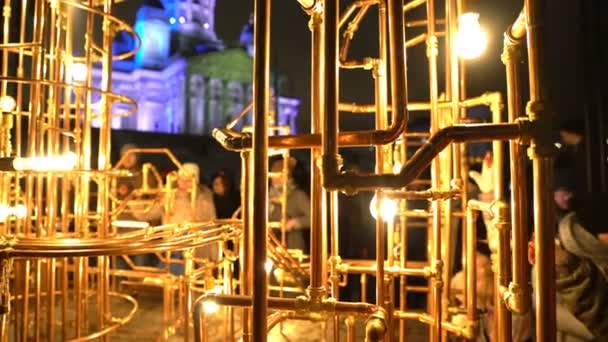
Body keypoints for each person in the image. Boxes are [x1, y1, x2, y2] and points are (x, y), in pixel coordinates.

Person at [132, 163, 217, 275]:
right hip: (175, 250)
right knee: (173, 283)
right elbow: (146, 214)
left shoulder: (204, 199)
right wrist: (136, 201)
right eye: (182, 179)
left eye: (188, 180)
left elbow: (212, 226)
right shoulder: (169, 197)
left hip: (199, 252)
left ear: (195, 181)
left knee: (196, 285)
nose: (185, 183)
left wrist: (215, 257)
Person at [268, 156, 310, 251]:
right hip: (271, 247)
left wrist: (294, 222)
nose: (274, 179)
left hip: (291, 246)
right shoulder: (267, 195)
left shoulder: (297, 195)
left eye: (278, 175)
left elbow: (313, 217)